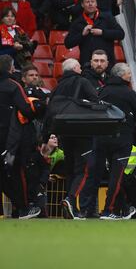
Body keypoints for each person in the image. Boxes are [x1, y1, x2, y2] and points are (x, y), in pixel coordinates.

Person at [84, 63, 136, 220]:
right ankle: (108, 210)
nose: (130, 76)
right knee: (116, 176)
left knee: (94, 175)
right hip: (122, 138)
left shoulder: (101, 91)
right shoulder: (129, 93)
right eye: (128, 73)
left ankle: (86, 209)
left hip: (100, 137)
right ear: (121, 75)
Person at [53, 58, 98, 219]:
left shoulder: (58, 87)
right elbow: (95, 101)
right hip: (81, 131)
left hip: (64, 132)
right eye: (79, 66)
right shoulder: (83, 81)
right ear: (75, 68)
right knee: (84, 170)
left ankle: (71, 208)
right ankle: (70, 199)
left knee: (71, 170)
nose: (81, 68)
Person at [0, 54, 38, 218]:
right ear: (10, 68)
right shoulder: (13, 86)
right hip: (10, 137)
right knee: (16, 171)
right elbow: (27, 110)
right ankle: (22, 208)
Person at [64, 0, 124, 67]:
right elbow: (68, 43)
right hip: (87, 65)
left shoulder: (107, 18)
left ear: (96, 3)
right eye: (87, 2)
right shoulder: (78, 22)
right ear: (82, 4)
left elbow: (121, 34)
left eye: (92, 1)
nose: (90, 4)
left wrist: (103, 32)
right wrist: (82, 35)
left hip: (107, 64)